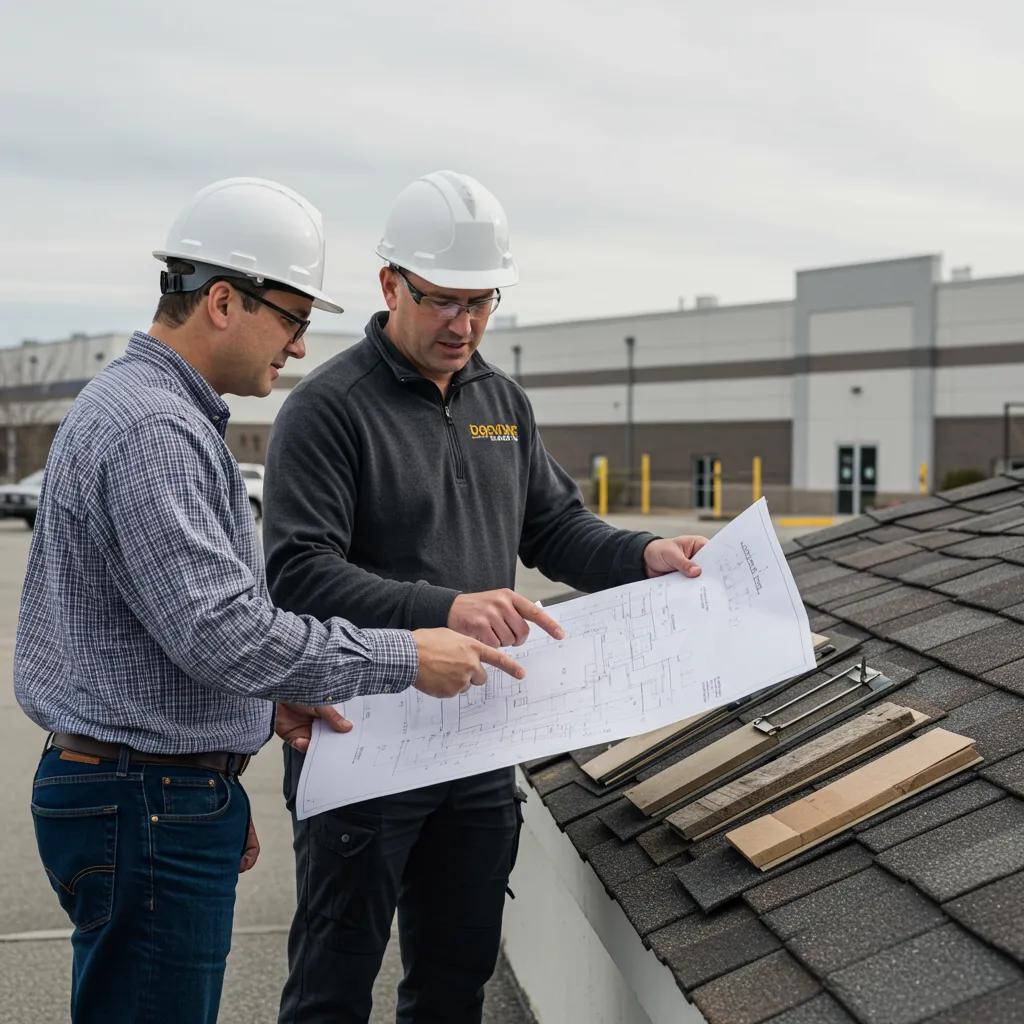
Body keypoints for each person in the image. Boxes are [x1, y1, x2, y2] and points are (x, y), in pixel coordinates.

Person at [13, 176, 522, 1024]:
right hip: (144, 797)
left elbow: (178, 625)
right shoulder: (153, 430)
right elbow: (219, 629)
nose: (294, 345)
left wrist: (245, 723)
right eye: (290, 317)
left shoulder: (152, 412)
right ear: (221, 299)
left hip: (155, 791)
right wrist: (407, 652)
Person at [263, 169, 709, 1024]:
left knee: (455, 981)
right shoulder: (327, 410)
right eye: (440, 301)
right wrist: (445, 606)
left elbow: (555, 530)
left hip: (475, 743)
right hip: (364, 738)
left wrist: (646, 553)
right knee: (332, 985)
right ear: (389, 283)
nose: (463, 324)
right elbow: (298, 572)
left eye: (482, 301)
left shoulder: (501, 403)